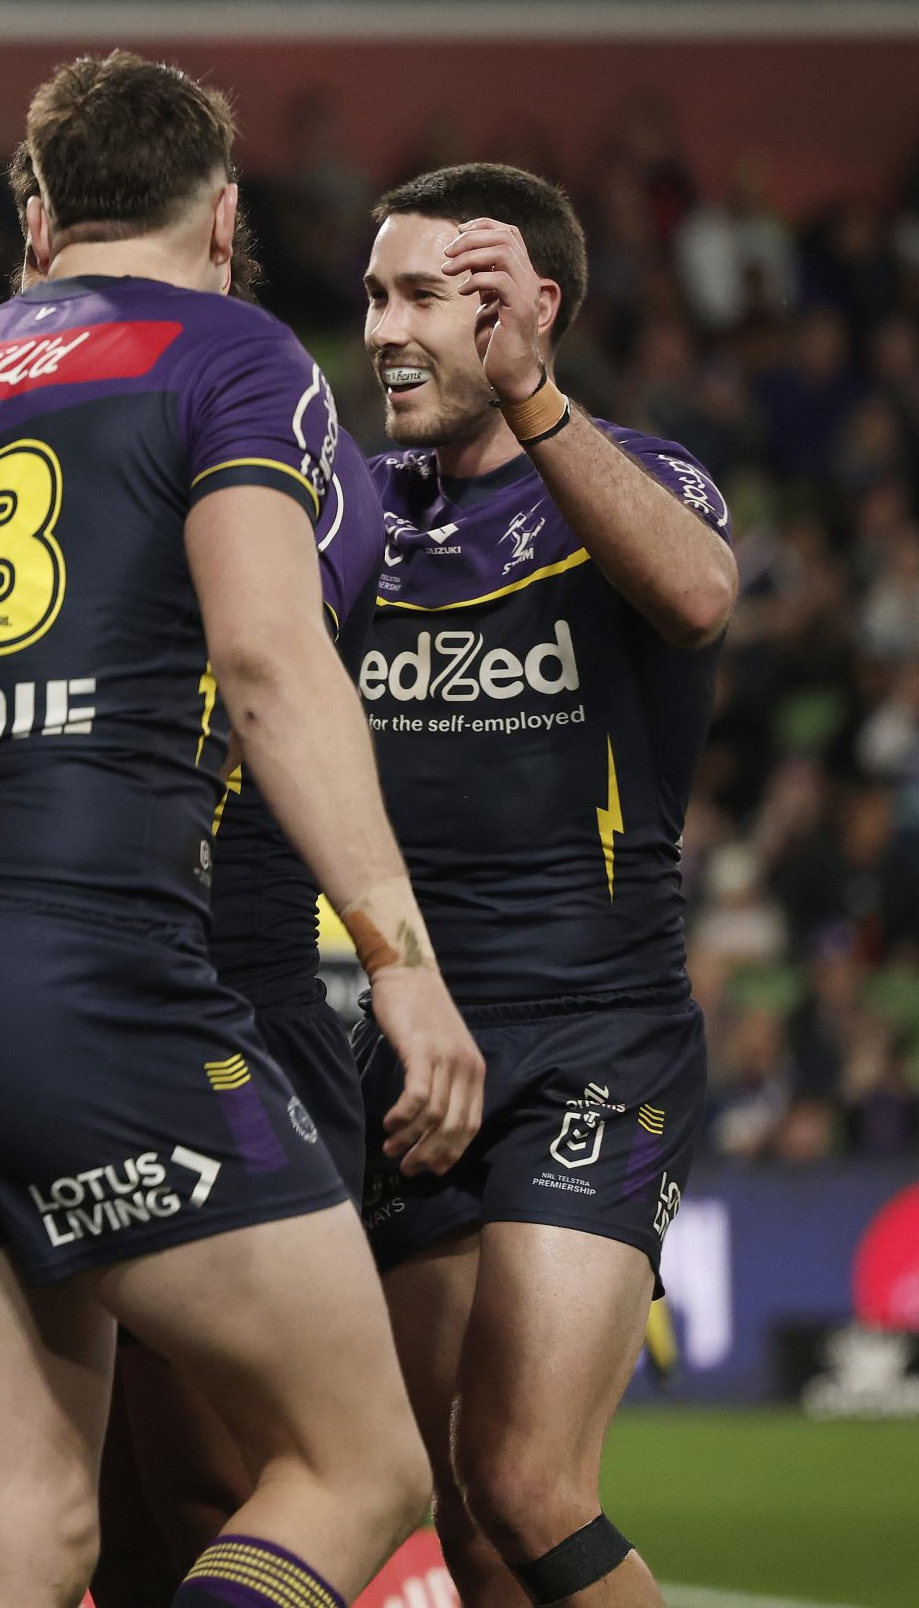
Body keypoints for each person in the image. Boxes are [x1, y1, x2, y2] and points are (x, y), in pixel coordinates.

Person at [0, 51, 481, 1608]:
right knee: (364, 1462)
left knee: (21, 1539)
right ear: (224, 213)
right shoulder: (230, 354)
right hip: (99, 983)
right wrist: (400, 959)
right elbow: (269, 661)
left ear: (40, 215)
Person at [354, 163, 736, 1608]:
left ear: (527, 310)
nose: (384, 330)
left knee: (527, 1480)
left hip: (597, 1033)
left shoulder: (637, 476)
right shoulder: (355, 515)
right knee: (465, 1520)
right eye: (375, 295)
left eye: (425, 298)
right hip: (414, 1046)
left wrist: (530, 399)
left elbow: (698, 597)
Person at [88, 197, 385, 1608]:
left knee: (226, 1481)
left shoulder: (285, 439)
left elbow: (261, 655)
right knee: (112, 1509)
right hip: (87, 998)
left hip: (234, 996)